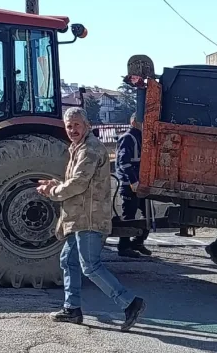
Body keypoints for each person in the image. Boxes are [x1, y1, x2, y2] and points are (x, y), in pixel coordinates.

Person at [37, 107, 146, 330]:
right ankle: (72, 309)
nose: (72, 130)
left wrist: (53, 192)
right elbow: (79, 183)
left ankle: (130, 303)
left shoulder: (90, 149)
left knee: (91, 266)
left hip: (89, 218)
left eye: (77, 125)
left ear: (86, 125)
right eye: (69, 126)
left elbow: (78, 183)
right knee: (68, 260)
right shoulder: (79, 148)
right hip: (78, 218)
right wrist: (55, 186)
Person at [115, 113, 151, 259]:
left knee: (147, 213)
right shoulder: (128, 137)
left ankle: (138, 242)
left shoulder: (140, 137)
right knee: (129, 215)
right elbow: (124, 163)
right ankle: (123, 246)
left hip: (139, 183)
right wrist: (133, 181)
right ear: (134, 122)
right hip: (130, 184)